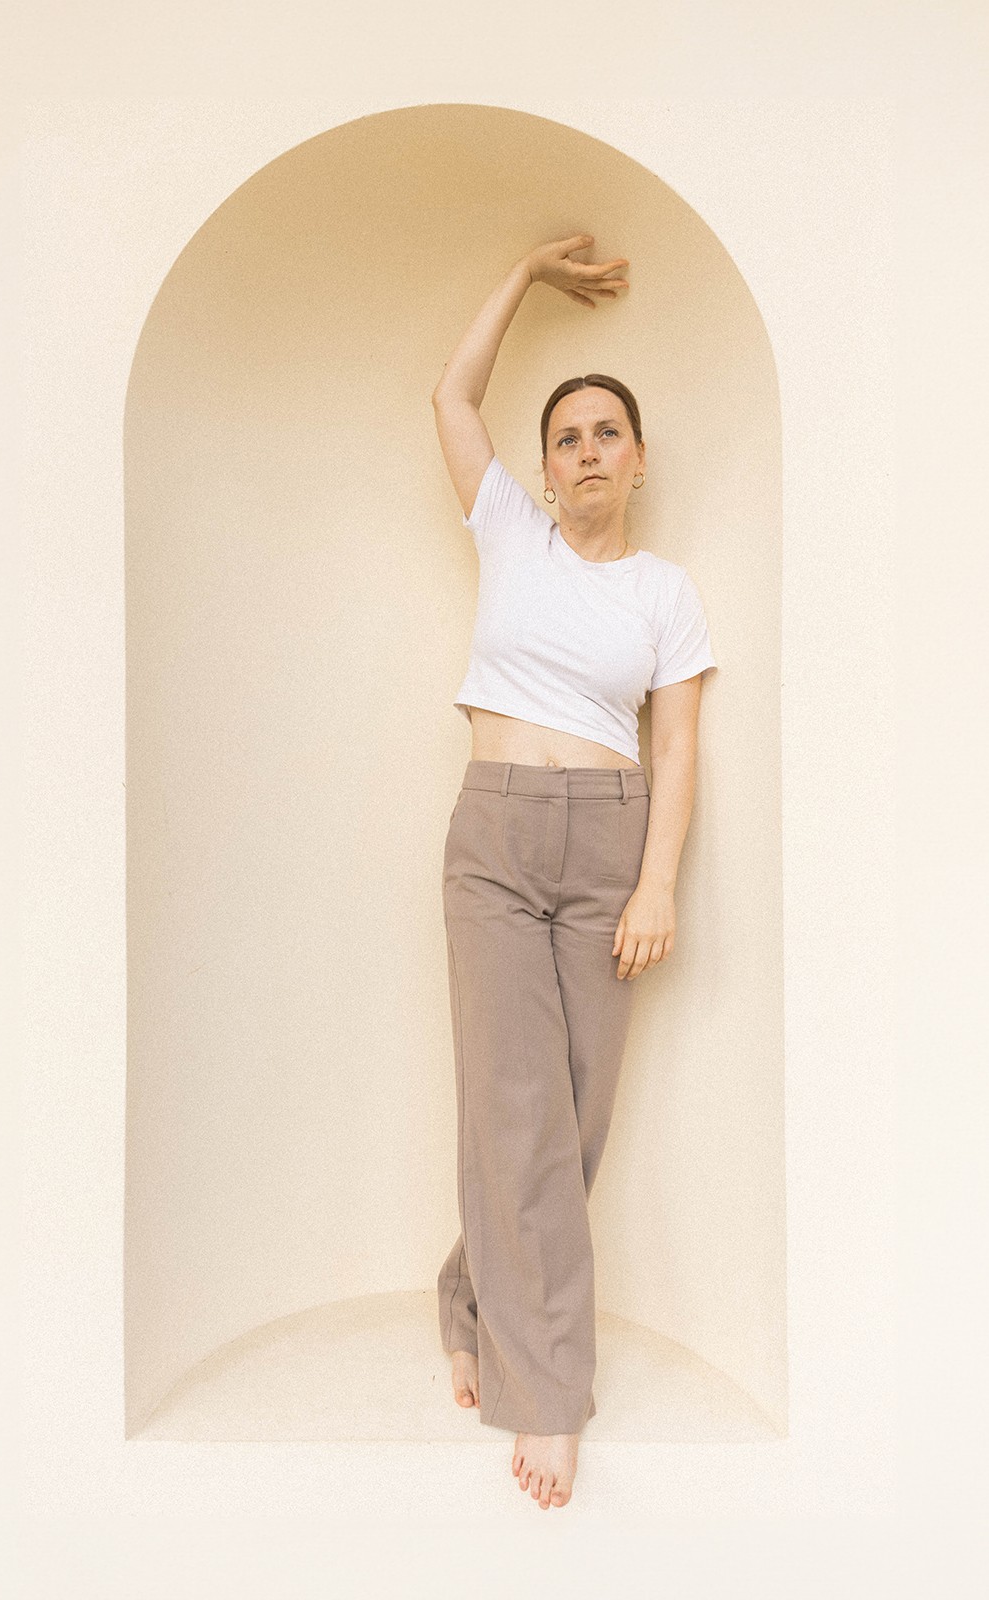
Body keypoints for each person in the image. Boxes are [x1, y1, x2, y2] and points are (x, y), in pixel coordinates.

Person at [432, 234, 719, 1510]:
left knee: (572, 1116)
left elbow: (677, 744)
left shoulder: (665, 592)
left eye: (607, 433)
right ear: (542, 471)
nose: (586, 450)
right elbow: (450, 396)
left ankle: (468, 1294)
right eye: (565, 438)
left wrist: (657, 883)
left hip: (607, 841)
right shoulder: (509, 535)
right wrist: (522, 272)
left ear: (637, 458)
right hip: (494, 839)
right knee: (515, 1108)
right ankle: (546, 1391)